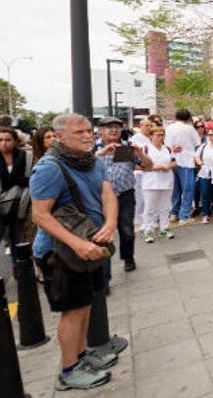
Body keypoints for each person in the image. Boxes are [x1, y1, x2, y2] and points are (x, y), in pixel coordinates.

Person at [30, 114, 119, 390]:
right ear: (58, 137)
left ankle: (81, 356)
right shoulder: (49, 168)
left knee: (85, 306)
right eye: (79, 131)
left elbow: (107, 194)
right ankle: (68, 370)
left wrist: (111, 223)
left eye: (88, 130)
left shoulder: (92, 160)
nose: (87, 135)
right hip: (61, 253)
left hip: (90, 245)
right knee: (72, 310)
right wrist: (78, 244)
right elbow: (40, 215)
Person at [94, 117, 153, 272]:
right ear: (100, 130)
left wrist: (140, 154)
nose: (113, 130)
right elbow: (84, 166)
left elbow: (147, 166)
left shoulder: (126, 148)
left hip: (125, 195)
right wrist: (101, 153)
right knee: (102, 232)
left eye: (117, 127)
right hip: (100, 199)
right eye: (109, 127)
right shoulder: (93, 148)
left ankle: (128, 258)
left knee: (126, 230)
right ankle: (103, 269)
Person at [164, 109, 201, 225]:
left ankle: (174, 213)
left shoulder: (169, 128)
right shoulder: (189, 128)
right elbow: (197, 143)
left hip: (172, 160)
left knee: (176, 189)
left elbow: (166, 144)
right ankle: (183, 216)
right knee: (188, 189)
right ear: (188, 117)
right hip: (187, 161)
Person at [141, 126, 176, 243]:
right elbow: (142, 165)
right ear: (151, 136)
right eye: (158, 135)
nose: (160, 137)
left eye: (162, 135)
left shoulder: (167, 149)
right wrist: (159, 167)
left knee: (165, 208)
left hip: (167, 182)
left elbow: (174, 162)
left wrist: (168, 166)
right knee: (150, 208)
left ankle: (164, 229)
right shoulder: (145, 149)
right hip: (151, 183)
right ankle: (148, 230)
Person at [1, 126, 30, 257]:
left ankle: (18, 270)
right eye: (0, 140)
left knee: (17, 240)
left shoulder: (24, 155)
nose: (3, 143)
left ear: (15, 141)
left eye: (8, 140)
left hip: (18, 204)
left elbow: (30, 178)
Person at [130, 117, 153, 228]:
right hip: (139, 172)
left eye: (150, 125)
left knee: (151, 196)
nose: (149, 128)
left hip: (152, 171)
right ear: (140, 126)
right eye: (146, 125)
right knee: (140, 197)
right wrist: (138, 167)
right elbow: (132, 157)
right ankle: (139, 218)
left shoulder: (153, 138)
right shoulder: (135, 139)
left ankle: (151, 217)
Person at [194, 127, 213, 224]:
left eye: (212, 134)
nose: (210, 136)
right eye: (209, 134)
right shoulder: (204, 146)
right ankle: (205, 214)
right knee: (205, 194)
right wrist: (201, 164)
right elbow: (196, 156)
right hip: (204, 173)